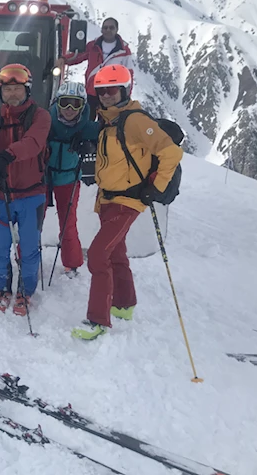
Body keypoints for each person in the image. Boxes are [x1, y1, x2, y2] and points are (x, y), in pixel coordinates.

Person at [71, 65, 183, 341]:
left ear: (125, 90)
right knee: (115, 253)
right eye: (101, 91)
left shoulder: (134, 121)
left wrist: (155, 188)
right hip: (108, 199)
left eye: (112, 90)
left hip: (127, 201)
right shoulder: (108, 121)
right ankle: (124, 304)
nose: (106, 95)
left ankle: (97, 320)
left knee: (98, 255)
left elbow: (171, 152)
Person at [0, 64, 51, 316]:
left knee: (29, 247)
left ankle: (25, 291)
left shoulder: (40, 116)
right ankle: (3, 288)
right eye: (7, 89)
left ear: (27, 90)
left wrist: (6, 156)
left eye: (17, 89)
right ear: (0, 92)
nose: (13, 94)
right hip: (0, 194)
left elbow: (33, 142)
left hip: (31, 194)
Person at [45, 81, 100, 278]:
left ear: (83, 106)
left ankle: (72, 263)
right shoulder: (45, 121)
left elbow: (109, 133)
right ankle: (26, 257)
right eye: (65, 103)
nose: (69, 109)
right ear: (57, 103)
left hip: (68, 179)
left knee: (68, 222)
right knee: (33, 221)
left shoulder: (87, 127)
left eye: (75, 104)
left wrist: (91, 145)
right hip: (43, 177)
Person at [55, 17, 133, 120]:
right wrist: (64, 59)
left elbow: (129, 74)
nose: (108, 30)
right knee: (87, 120)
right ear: (101, 29)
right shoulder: (93, 45)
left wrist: (126, 96)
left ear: (116, 29)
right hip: (92, 91)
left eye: (111, 28)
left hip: (110, 93)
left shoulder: (124, 50)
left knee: (107, 121)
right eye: (105, 28)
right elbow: (78, 56)